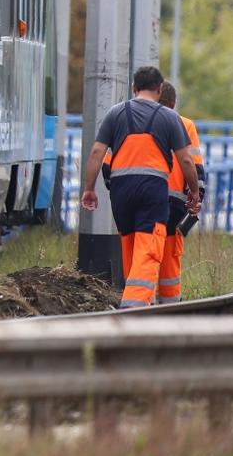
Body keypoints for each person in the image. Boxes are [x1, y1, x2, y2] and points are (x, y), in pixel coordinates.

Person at [79, 66, 199, 308]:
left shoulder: (115, 113)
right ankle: (133, 306)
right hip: (151, 190)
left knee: (131, 245)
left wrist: (89, 188)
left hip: (121, 191)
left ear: (134, 88)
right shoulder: (169, 117)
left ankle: (135, 297)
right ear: (160, 89)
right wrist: (194, 192)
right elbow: (186, 160)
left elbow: (96, 152)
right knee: (148, 247)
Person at [158, 81, 205, 305]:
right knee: (170, 257)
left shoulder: (138, 122)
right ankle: (170, 306)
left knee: (143, 251)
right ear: (174, 103)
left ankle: (140, 303)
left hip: (142, 200)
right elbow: (196, 167)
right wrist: (197, 198)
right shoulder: (185, 125)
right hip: (175, 206)